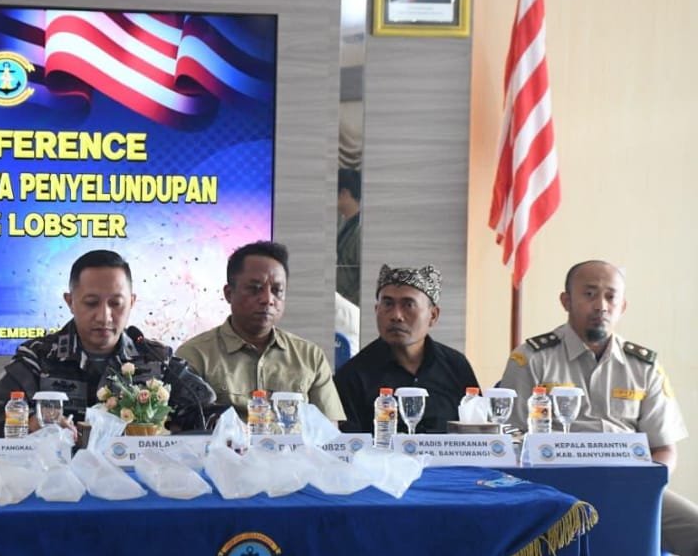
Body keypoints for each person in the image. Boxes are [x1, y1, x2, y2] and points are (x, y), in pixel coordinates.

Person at [499, 260, 698, 556]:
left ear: (623, 305)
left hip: (631, 489)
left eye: (610, 297)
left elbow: (664, 448)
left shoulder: (644, 365)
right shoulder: (532, 357)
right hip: (554, 491)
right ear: (566, 301)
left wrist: (647, 484)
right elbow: (510, 437)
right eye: (589, 294)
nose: (601, 306)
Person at [0, 249, 213, 437]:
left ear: (131, 302)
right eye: (91, 303)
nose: (104, 316)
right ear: (70, 302)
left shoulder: (155, 358)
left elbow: (205, 410)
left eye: (116, 303)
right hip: (57, 482)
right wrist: (32, 423)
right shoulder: (39, 356)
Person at [176, 241, 344, 422]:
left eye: (277, 290)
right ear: (229, 293)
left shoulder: (310, 357)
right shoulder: (194, 356)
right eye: (255, 289)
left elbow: (329, 433)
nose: (267, 299)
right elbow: (182, 434)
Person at [336, 264, 479, 432]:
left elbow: (478, 434)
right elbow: (347, 447)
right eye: (388, 304)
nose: (396, 316)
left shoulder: (456, 366)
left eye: (408, 305)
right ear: (376, 310)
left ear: (433, 315)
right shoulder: (353, 375)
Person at [336, 167, 362, 305]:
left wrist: (349, 306)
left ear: (344, 193)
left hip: (349, 307)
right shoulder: (345, 224)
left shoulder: (360, 230)